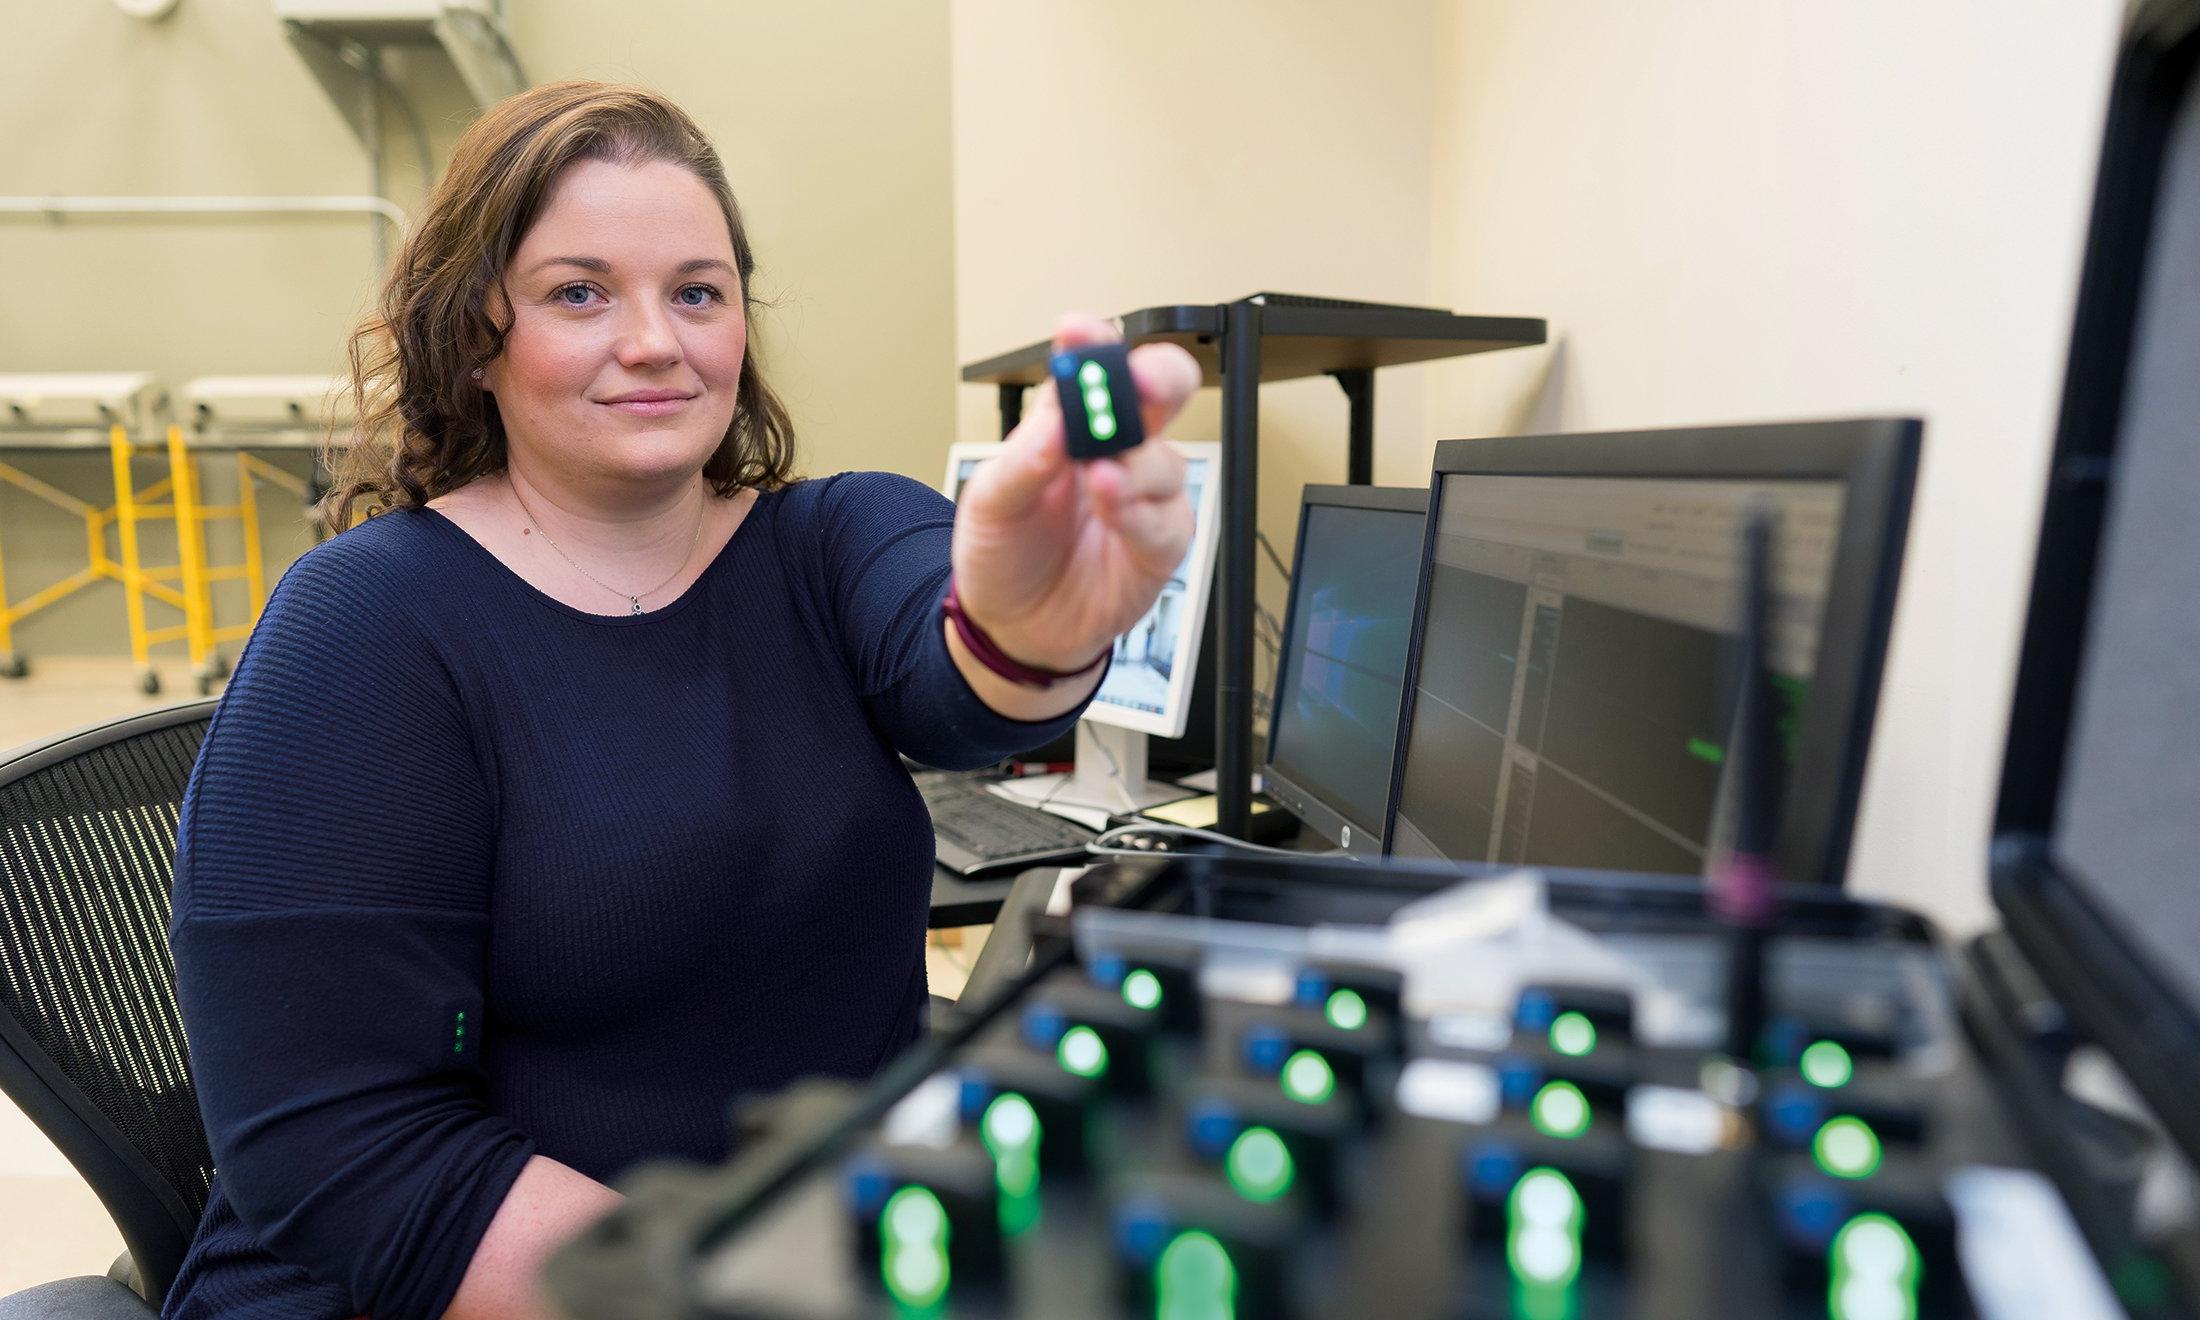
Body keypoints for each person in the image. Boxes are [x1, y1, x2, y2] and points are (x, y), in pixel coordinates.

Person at [158, 81, 1197, 1320]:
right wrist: (766, 1281)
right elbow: (348, 1158)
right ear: (474, 336)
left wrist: (1034, 626)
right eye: (579, 292)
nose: (656, 339)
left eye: (697, 292)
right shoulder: (367, 626)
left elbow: (962, 686)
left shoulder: (832, 540)